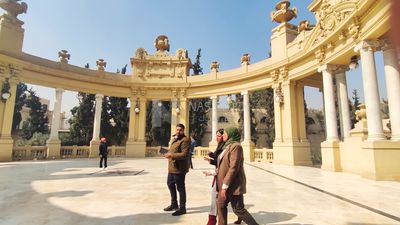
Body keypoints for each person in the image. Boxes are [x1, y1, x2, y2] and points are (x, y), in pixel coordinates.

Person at [216, 127, 258, 225]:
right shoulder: (227, 146)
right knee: (221, 204)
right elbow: (224, 165)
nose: (223, 135)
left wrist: (225, 185)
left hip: (233, 183)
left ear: (231, 134)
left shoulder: (236, 146)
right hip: (224, 183)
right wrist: (215, 173)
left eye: (225, 133)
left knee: (238, 209)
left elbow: (233, 167)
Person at [163, 123, 190, 216]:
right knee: (170, 184)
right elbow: (173, 150)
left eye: (180, 130)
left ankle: (182, 208)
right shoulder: (175, 138)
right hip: (172, 167)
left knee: (180, 188)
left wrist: (172, 155)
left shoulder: (185, 140)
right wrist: (167, 153)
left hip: (179, 168)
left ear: (183, 130)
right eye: (177, 129)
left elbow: (184, 154)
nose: (178, 131)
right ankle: (174, 204)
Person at [203, 128, 224, 225]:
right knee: (215, 198)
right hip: (218, 175)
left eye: (219, 136)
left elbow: (221, 162)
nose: (217, 137)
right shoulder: (220, 145)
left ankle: (212, 220)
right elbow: (217, 157)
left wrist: (210, 160)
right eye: (216, 135)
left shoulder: (225, 147)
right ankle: (212, 219)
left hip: (222, 177)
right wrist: (211, 155)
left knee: (215, 198)